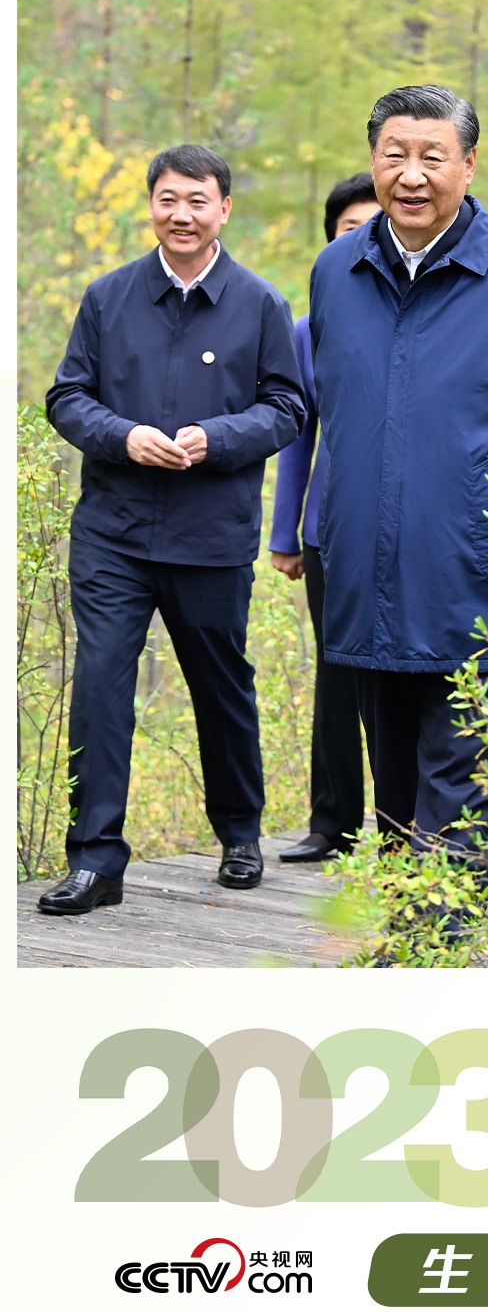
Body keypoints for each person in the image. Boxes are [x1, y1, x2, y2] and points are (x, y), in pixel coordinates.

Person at [309, 84, 488, 919]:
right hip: (367, 585)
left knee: (457, 805)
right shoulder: (336, 271)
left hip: (478, 593)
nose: (412, 174)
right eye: (394, 154)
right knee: (397, 806)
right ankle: (411, 954)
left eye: (432, 156)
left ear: (469, 165)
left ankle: (434, 960)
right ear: (373, 161)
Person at [38, 144, 305, 915]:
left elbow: (287, 407)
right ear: (150, 204)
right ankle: (95, 862)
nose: (181, 214)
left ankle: (240, 834)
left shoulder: (260, 304)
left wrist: (215, 438)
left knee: (221, 688)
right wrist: (123, 436)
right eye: (168, 199)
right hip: (113, 535)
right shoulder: (108, 296)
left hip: (210, 537)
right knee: (100, 688)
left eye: (197, 201)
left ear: (224, 209)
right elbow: (67, 397)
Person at [269, 173, 380, 863]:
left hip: (405, 530)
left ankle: (411, 824)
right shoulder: (309, 330)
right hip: (329, 533)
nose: (362, 239)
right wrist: (286, 535)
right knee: (335, 674)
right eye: (348, 230)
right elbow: (295, 437)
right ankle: (332, 824)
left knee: (404, 681)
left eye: (373, 226)